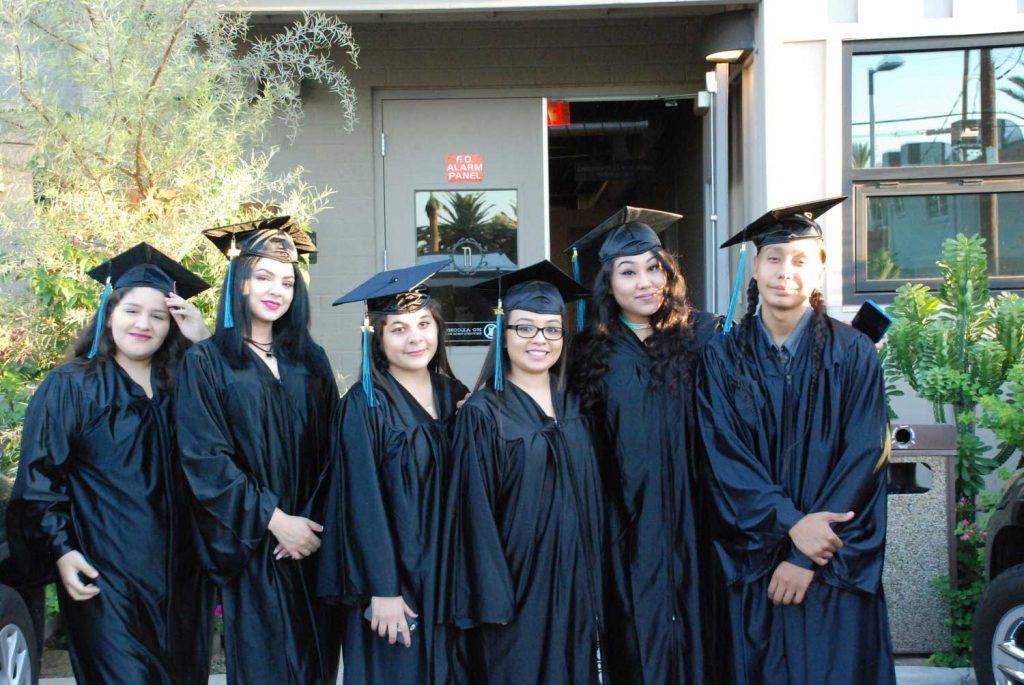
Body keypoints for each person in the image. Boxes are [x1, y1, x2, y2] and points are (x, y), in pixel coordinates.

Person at [696, 197, 895, 685]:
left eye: (801, 260)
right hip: (757, 564)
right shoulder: (722, 358)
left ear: (821, 271)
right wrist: (788, 526)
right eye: (775, 258)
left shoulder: (852, 352)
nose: (786, 271)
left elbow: (865, 454)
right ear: (755, 268)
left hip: (833, 564)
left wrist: (806, 554)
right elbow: (723, 459)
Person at [7, 242, 213, 684]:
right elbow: (40, 478)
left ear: (172, 325)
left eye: (159, 316)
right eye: (131, 311)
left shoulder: (187, 385)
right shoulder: (72, 386)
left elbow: (237, 442)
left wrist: (207, 346)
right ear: (108, 313)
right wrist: (61, 551)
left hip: (183, 580)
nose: (143, 324)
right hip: (107, 576)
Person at [175, 216, 341, 684]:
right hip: (255, 551)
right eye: (263, 276)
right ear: (240, 280)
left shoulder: (311, 360)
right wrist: (276, 521)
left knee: (318, 665)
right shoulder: (206, 361)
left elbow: (334, 448)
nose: (277, 290)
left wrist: (306, 525)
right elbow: (205, 458)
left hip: (312, 544)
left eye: (287, 281)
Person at [565, 207, 727, 685]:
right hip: (624, 526)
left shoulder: (705, 335)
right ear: (608, 284)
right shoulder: (588, 351)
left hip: (699, 522)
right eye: (628, 271)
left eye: (654, 267)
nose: (644, 282)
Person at [440, 260, 605, 685]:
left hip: (578, 583)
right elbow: (472, 514)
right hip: (516, 592)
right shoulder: (482, 412)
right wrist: (493, 600)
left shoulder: (576, 403)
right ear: (502, 332)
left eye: (552, 328)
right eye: (525, 328)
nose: (540, 340)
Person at [316, 260, 469, 684]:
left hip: (447, 574)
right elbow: (361, 501)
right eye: (398, 329)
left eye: (423, 323)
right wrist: (382, 589)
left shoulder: (455, 395)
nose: (415, 337)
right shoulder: (365, 404)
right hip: (395, 581)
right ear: (376, 339)